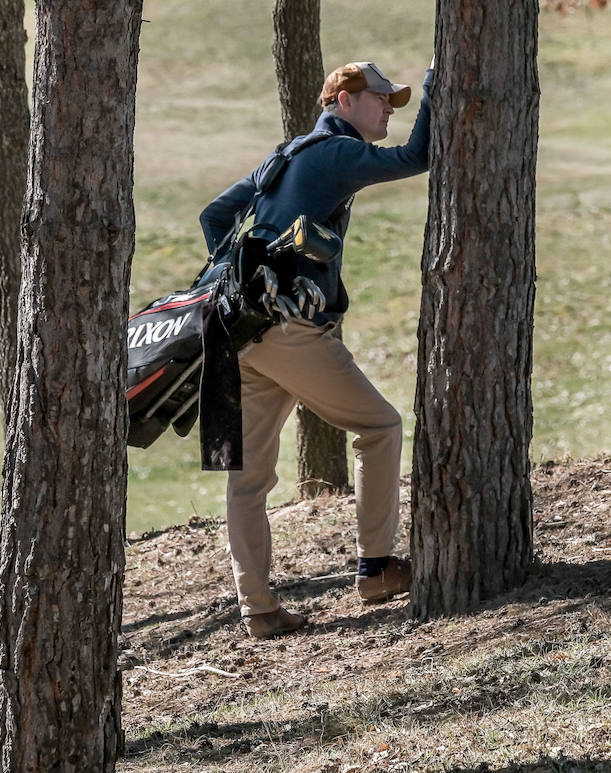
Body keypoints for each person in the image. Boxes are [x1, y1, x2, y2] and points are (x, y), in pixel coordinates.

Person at [199, 60, 434, 639]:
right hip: (287, 333)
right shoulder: (334, 150)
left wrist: (240, 276)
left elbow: (215, 215)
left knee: (247, 481)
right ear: (345, 100)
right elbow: (417, 157)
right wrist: (435, 90)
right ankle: (376, 567)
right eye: (381, 99)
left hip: (236, 332)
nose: (388, 109)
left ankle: (258, 609)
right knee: (380, 428)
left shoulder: (287, 152)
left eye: (395, 101)